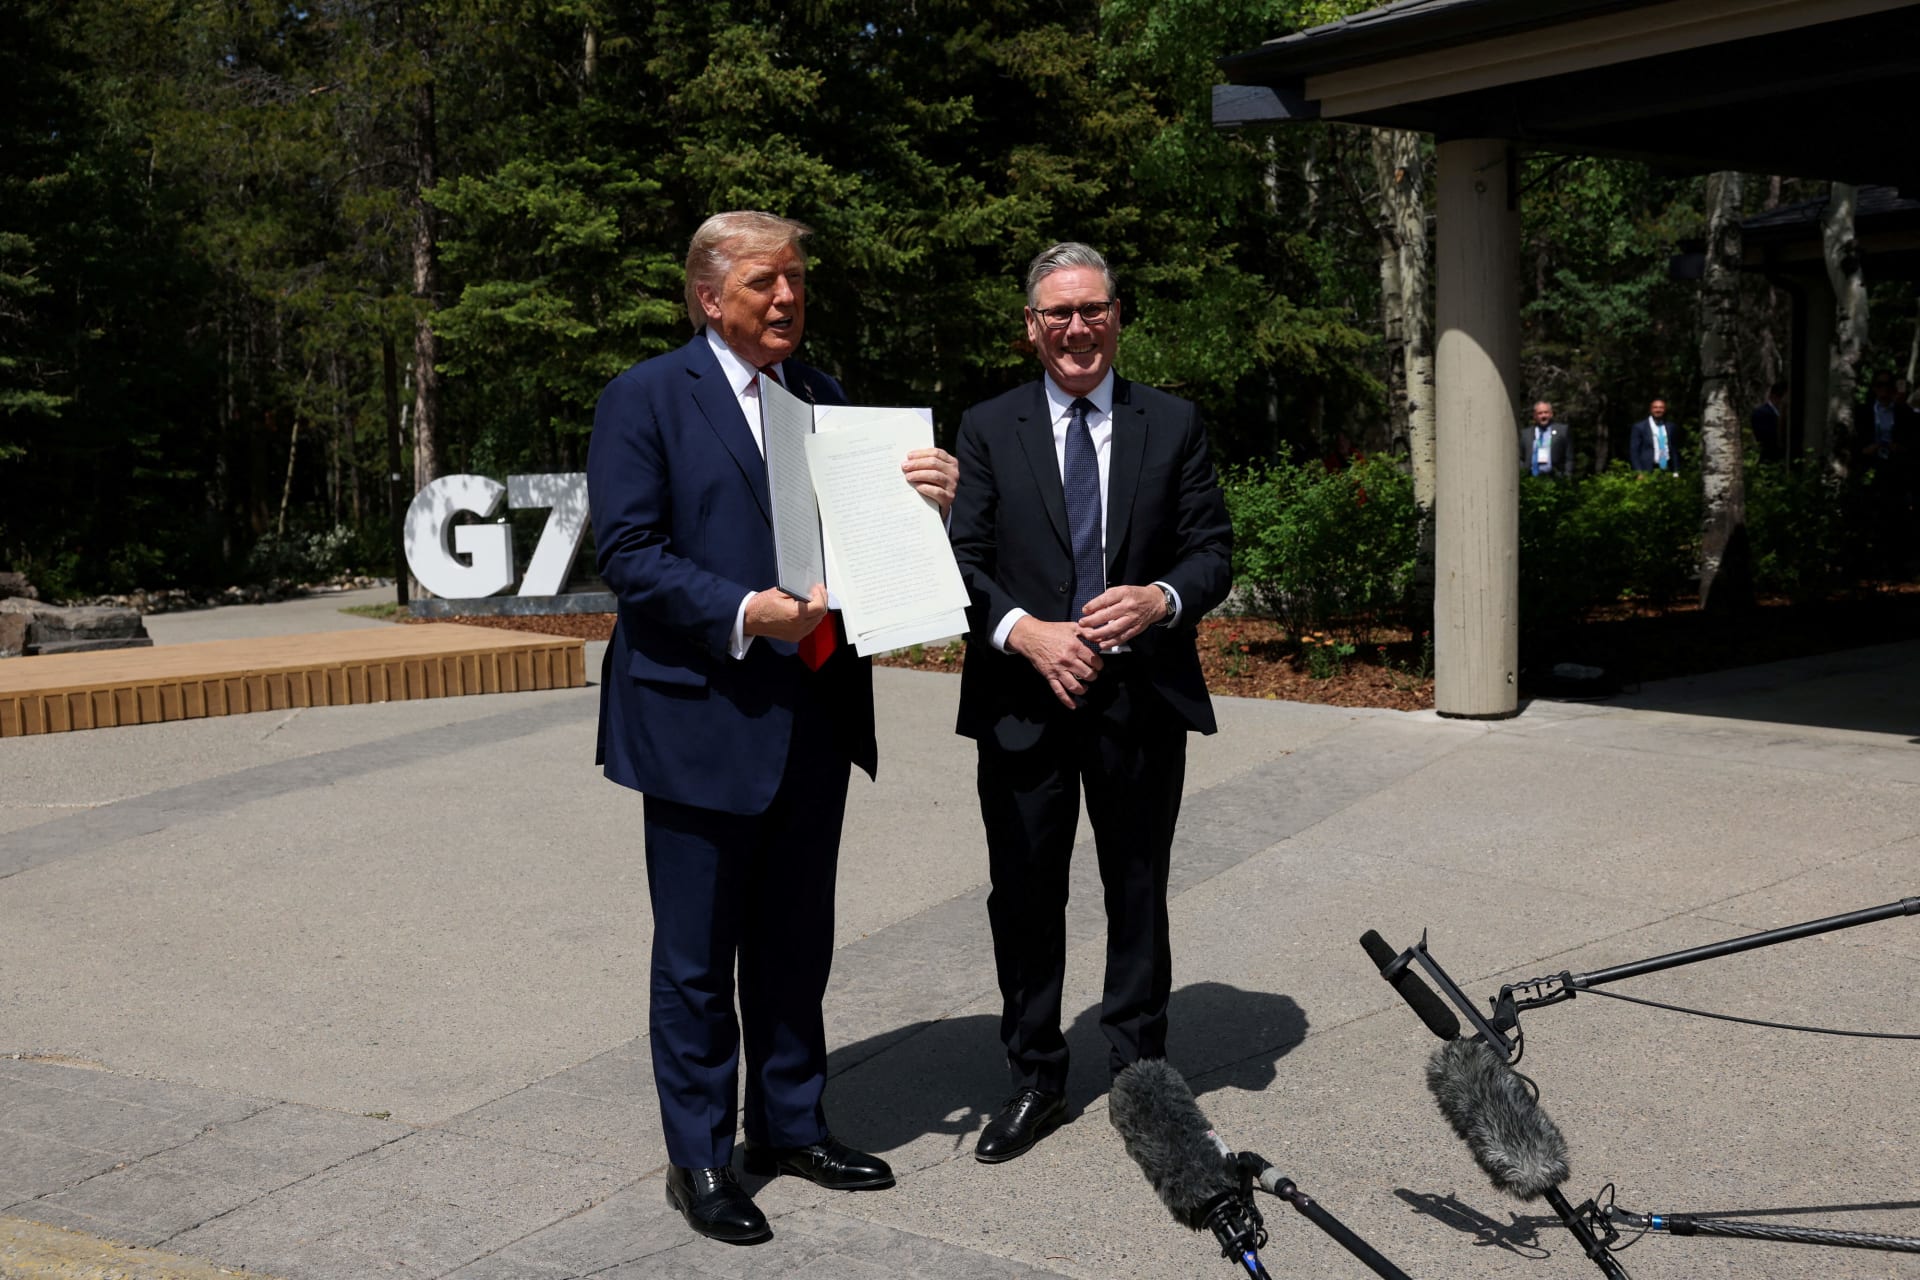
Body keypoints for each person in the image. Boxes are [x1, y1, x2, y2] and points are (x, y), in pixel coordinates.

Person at [586, 211, 958, 1244]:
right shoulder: (647, 397)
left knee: (796, 942)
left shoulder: (827, 398)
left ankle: (790, 1124)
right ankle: (701, 1156)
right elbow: (629, 551)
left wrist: (932, 495)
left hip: (814, 711)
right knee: (699, 957)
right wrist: (747, 610)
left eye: (796, 278)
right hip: (701, 714)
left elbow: (870, 539)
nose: (787, 297)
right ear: (709, 296)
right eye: (764, 282)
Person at [946, 243, 1232, 1164]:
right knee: (1025, 895)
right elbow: (962, 560)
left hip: (1139, 698)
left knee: (1137, 889)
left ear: (1118, 315)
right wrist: (1025, 631)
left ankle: (1142, 1074)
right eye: (1058, 313)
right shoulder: (987, 427)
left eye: (1093, 309)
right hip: (1024, 699)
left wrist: (1162, 600)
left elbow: (1211, 551)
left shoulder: (1174, 423)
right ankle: (1035, 1077)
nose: (1078, 328)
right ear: (1031, 327)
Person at [1519, 400, 1574, 478]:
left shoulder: (1562, 431)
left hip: (1555, 478)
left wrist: (1567, 476)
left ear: (1551, 414)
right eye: (1540, 413)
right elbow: (1521, 457)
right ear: (1535, 416)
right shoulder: (1525, 434)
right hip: (1531, 479)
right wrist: (1522, 472)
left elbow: (1569, 457)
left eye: (1546, 412)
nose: (1543, 416)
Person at [1629, 398, 1678, 472]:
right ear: (1651, 409)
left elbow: (1674, 450)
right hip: (1647, 469)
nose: (1658, 410)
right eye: (1655, 407)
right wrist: (1638, 471)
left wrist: (1676, 470)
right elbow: (1634, 452)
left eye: (1661, 407)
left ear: (1664, 410)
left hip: (1667, 468)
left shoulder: (1671, 427)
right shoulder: (1640, 427)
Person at [1751, 381, 1788, 463]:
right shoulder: (1761, 414)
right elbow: (1763, 439)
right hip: (1769, 460)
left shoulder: (1785, 414)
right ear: (1775, 397)